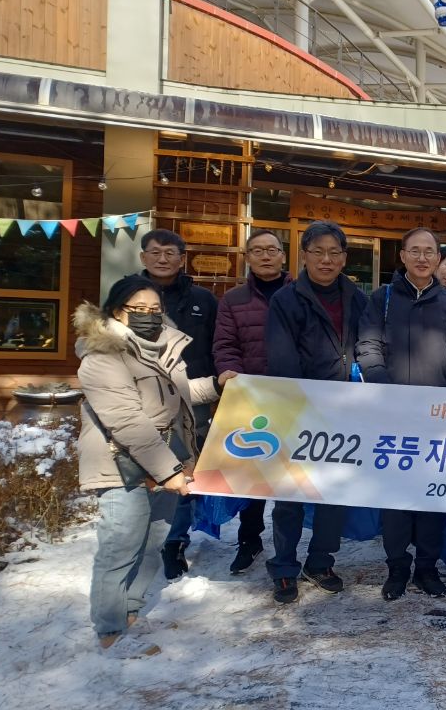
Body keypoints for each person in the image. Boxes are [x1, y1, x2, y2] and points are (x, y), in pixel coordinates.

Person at [74, 275, 231, 657]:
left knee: (152, 543)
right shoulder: (101, 358)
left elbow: (178, 395)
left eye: (155, 309)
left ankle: (130, 613)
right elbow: (129, 422)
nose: (148, 315)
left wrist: (216, 384)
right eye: (138, 309)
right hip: (120, 464)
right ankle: (110, 631)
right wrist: (170, 472)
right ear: (116, 312)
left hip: (162, 458)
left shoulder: (160, 348)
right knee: (121, 546)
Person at [357, 227, 446, 601]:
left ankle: (427, 567)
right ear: (403, 256)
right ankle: (397, 567)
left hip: (438, 415)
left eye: (429, 252)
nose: (423, 258)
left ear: (437, 258)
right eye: (415, 251)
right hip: (392, 413)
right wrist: (385, 390)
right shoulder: (382, 298)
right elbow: (368, 347)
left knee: (431, 494)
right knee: (395, 496)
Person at [263, 220, 366, 604]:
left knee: (333, 491)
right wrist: (302, 400)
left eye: (334, 252)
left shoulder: (357, 297)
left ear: (344, 258)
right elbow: (282, 358)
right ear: (303, 255)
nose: (326, 259)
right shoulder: (286, 300)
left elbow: (366, 346)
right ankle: (284, 567)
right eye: (318, 252)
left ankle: (320, 562)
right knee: (289, 494)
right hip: (298, 406)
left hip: (344, 410)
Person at [136, 229, 219, 581]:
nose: (162, 258)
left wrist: (218, 391)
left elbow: (216, 346)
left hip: (192, 398)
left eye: (170, 252)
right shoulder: (127, 295)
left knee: (184, 471)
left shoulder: (203, 299)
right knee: (140, 469)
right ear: (143, 257)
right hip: (141, 397)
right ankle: (139, 536)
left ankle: (174, 541)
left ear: (182, 259)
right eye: (155, 252)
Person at [212, 229, 292, 575]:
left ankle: (288, 549)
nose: (265, 256)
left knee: (291, 475)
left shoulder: (300, 293)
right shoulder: (233, 299)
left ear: (283, 256)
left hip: (295, 397)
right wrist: (231, 375)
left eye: (272, 249)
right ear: (247, 258)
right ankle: (249, 540)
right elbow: (225, 345)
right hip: (252, 396)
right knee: (252, 475)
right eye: (257, 250)